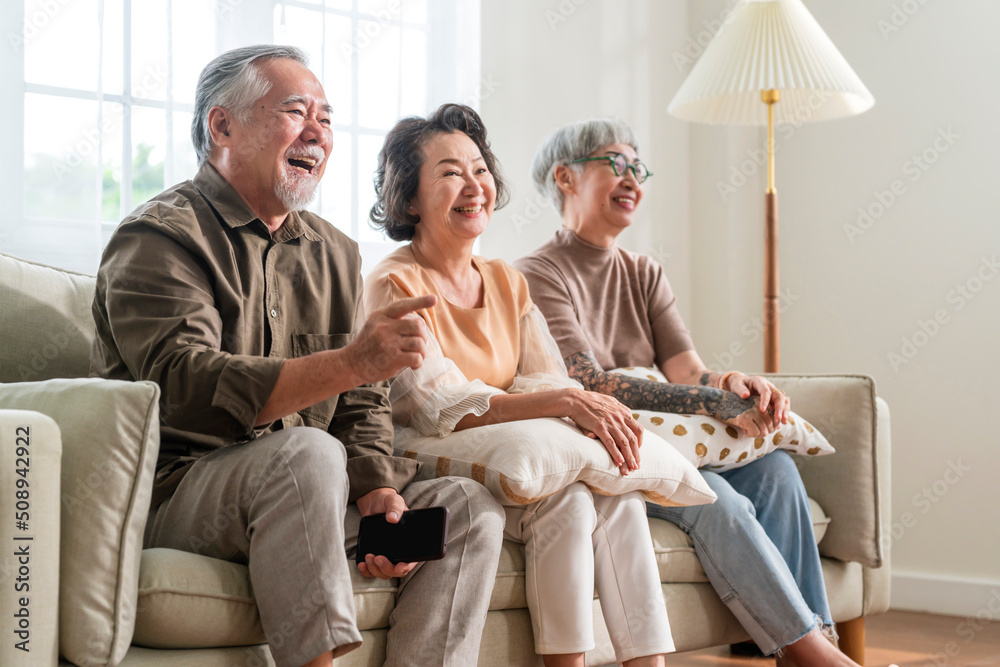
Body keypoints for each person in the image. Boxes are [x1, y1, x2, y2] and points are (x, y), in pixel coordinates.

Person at [90, 45, 505, 667]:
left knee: (466, 507)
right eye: (295, 111)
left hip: (306, 491)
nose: (318, 132)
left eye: (328, 118)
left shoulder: (334, 252)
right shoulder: (159, 236)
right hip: (182, 494)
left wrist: (373, 489)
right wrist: (351, 364)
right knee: (307, 452)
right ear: (222, 126)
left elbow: (361, 400)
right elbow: (182, 390)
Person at [514, 118, 863, 667]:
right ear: (565, 176)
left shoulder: (645, 273)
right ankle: (812, 656)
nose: (633, 178)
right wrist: (712, 402)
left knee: (777, 474)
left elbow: (687, 370)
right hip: (612, 444)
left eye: (639, 167)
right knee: (711, 497)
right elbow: (589, 381)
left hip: (673, 439)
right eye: (616, 163)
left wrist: (730, 384)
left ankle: (817, 641)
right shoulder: (537, 272)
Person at [363, 103, 672, 667]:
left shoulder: (506, 279)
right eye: (451, 172)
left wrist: (565, 399)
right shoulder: (394, 281)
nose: (474, 186)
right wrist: (561, 400)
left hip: (516, 459)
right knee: (573, 499)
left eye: (480, 170)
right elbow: (437, 404)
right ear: (409, 198)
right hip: (427, 458)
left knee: (612, 498)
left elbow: (543, 374)